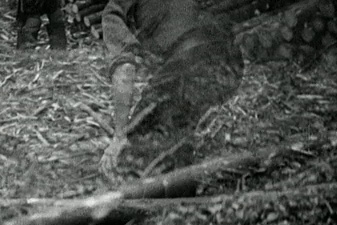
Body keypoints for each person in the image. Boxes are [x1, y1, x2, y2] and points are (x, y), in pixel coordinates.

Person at [99, 0, 244, 187]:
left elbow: (124, 71)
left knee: (131, 153)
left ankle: (169, 200)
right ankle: (183, 189)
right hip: (231, 63)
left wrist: (119, 137)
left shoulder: (114, 10)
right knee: (175, 123)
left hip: (189, 60)